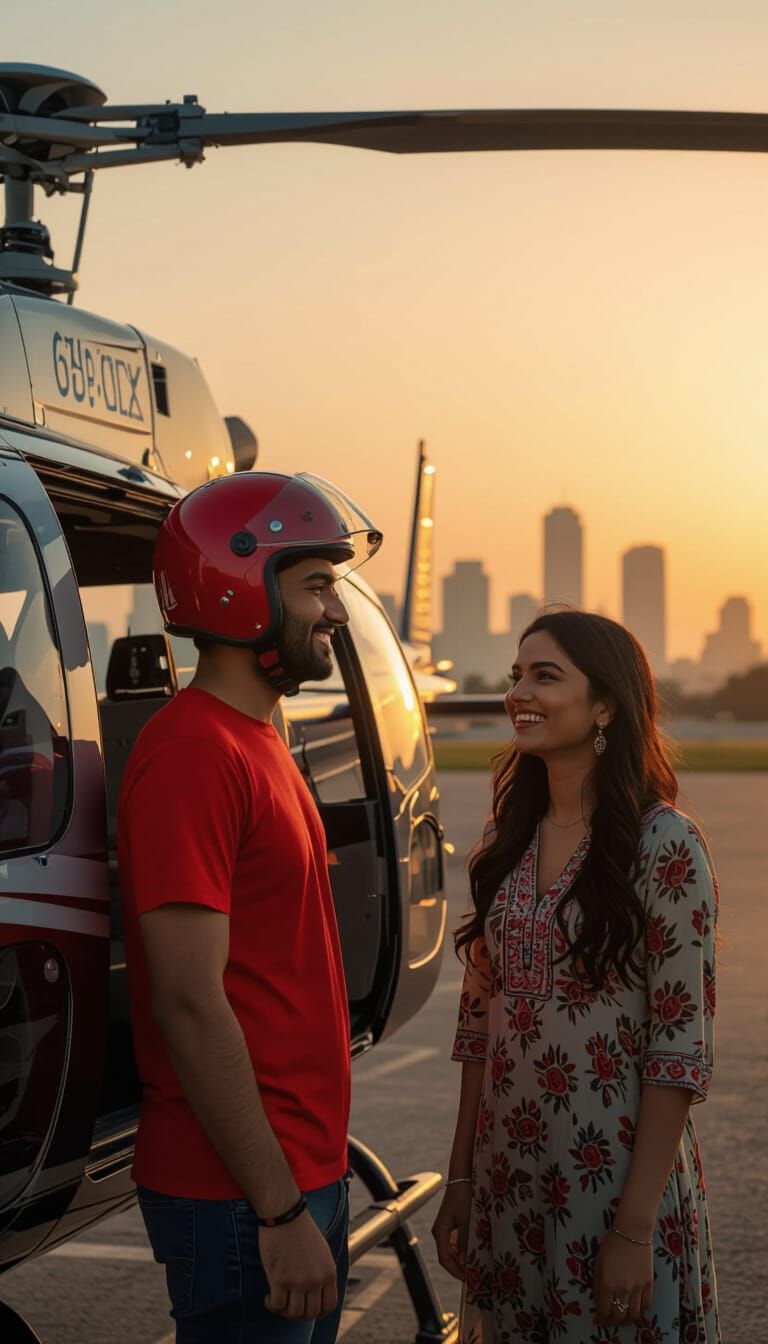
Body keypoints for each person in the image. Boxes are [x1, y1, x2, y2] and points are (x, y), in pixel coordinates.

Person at [118, 471, 382, 1343]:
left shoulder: (257, 737)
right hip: (241, 1198)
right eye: (314, 586)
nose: (335, 614)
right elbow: (190, 1004)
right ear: (239, 592)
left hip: (291, 1176)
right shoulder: (194, 753)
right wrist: (276, 1214)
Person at [432, 610, 720, 1344]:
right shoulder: (503, 841)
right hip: (509, 1184)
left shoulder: (665, 845)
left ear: (605, 705)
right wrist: (459, 1180)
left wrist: (632, 1229)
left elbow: (678, 1050)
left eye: (545, 676)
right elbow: (479, 1027)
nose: (519, 692)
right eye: (516, 676)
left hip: (616, 1182)